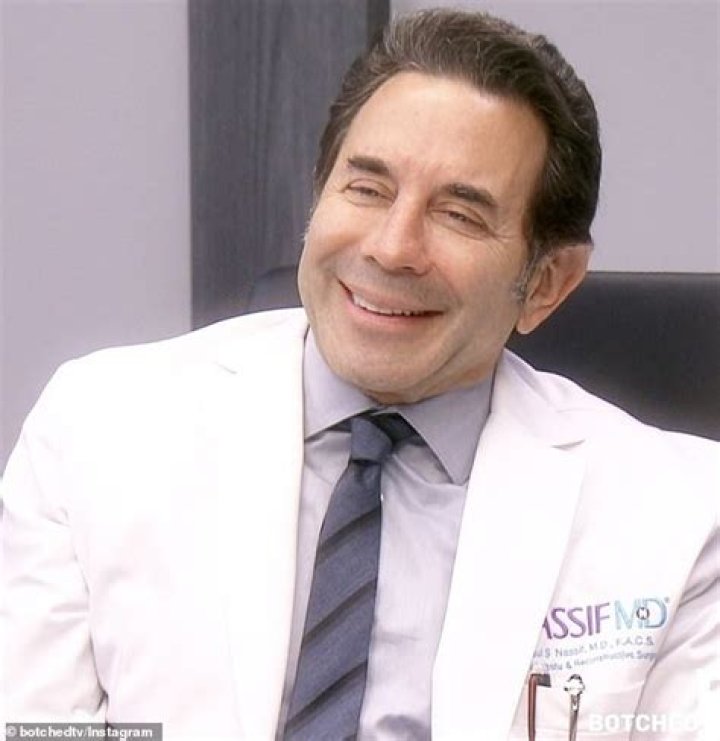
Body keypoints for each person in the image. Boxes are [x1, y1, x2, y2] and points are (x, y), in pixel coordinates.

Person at [1, 8, 717, 741]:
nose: (391, 247)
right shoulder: (92, 433)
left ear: (547, 283)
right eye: (367, 189)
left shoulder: (683, 517)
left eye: (459, 215)